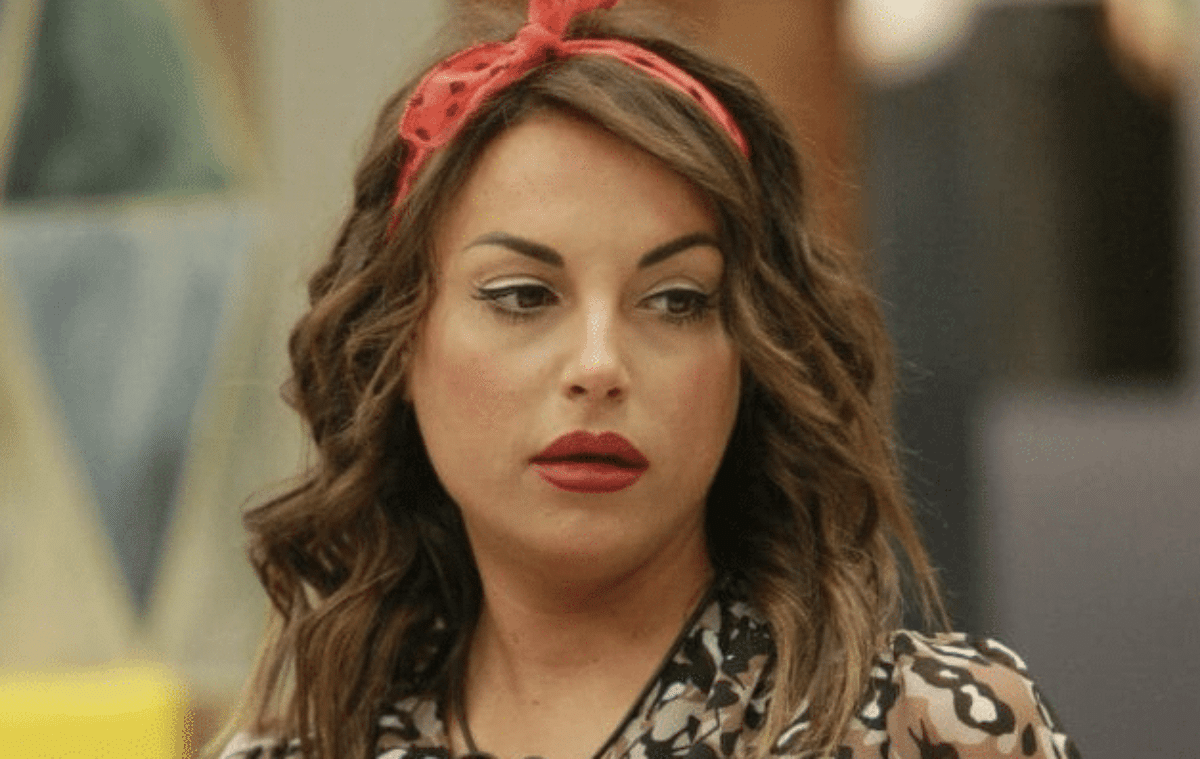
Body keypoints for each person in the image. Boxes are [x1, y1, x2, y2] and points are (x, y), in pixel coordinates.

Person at [216, 1, 1080, 758]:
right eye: (523, 296)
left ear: (750, 357)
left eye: (676, 301)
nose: (600, 365)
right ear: (399, 346)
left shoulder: (929, 730)